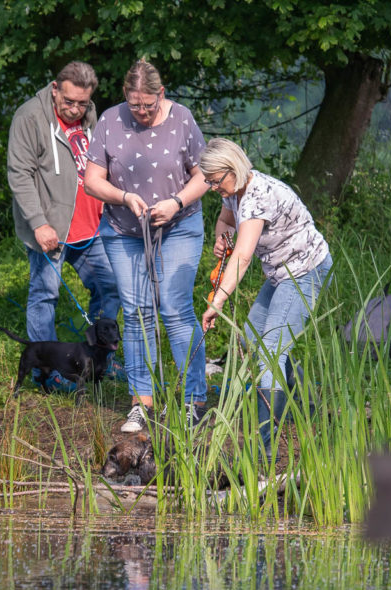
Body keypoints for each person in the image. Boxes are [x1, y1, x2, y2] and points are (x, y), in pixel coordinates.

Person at [85, 60, 209, 433]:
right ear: (126, 95)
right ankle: (142, 401)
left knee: (175, 309)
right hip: (124, 232)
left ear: (162, 94)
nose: (141, 112)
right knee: (137, 315)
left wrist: (176, 203)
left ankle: (194, 399)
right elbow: (93, 180)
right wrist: (123, 196)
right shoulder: (109, 121)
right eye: (135, 104)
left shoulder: (183, 119)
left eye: (148, 105)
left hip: (179, 226)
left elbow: (205, 173)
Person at [198, 138, 333, 459]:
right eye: (209, 181)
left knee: (271, 353)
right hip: (280, 273)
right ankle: (309, 407)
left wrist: (216, 302)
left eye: (216, 180)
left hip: (305, 271)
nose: (213, 187)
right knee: (251, 340)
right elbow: (226, 222)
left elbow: (242, 258)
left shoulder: (257, 196)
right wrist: (221, 238)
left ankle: (265, 449)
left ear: (233, 169)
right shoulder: (234, 192)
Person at [7, 61, 122, 391]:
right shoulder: (29, 117)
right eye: (69, 101)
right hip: (51, 230)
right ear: (55, 89)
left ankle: (98, 361)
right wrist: (39, 224)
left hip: (92, 227)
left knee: (109, 287)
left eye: (82, 103)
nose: (75, 109)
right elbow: (20, 175)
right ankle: (51, 372)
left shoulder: (90, 113)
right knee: (45, 295)